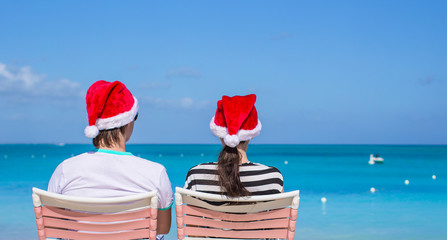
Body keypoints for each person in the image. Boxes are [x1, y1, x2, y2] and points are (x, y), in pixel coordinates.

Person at [48, 80, 172, 238]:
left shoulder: (65, 169)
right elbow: (162, 228)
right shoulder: (155, 172)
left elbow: (54, 225)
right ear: (127, 122)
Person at [184, 94, 283, 198]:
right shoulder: (273, 178)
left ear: (219, 134)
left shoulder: (196, 176)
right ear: (251, 135)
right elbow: (281, 214)